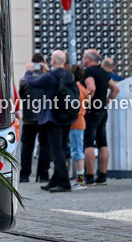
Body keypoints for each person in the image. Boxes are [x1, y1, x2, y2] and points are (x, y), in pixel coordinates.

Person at [28, 50, 75, 192]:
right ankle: (55, 181)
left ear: (53, 61)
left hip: (52, 118)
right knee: (61, 149)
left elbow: (31, 83)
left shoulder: (48, 77)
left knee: (56, 152)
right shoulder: (69, 75)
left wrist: (29, 71)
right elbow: (56, 77)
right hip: (67, 117)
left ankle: (64, 183)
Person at [82, 49, 119, 185]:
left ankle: (90, 176)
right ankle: (102, 176)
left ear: (89, 59)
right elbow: (115, 89)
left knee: (88, 143)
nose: (82, 60)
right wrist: (106, 101)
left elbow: (91, 88)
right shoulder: (104, 72)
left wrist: (85, 103)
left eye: (83, 57)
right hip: (103, 111)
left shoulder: (89, 72)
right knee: (103, 143)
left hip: (91, 112)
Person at [19, 53, 50, 183]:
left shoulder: (25, 80)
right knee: (45, 146)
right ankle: (43, 175)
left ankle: (25, 174)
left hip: (28, 118)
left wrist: (28, 72)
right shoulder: (47, 78)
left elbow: (22, 95)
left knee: (27, 146)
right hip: (44, 118)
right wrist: (47, 69)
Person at [68, 63, 89, 189]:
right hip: (81, 121)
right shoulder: (83, 88)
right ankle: (79, 179)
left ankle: (80, 180)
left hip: (75, 123)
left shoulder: (74, 90)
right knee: (78, 150)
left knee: (77, 152)